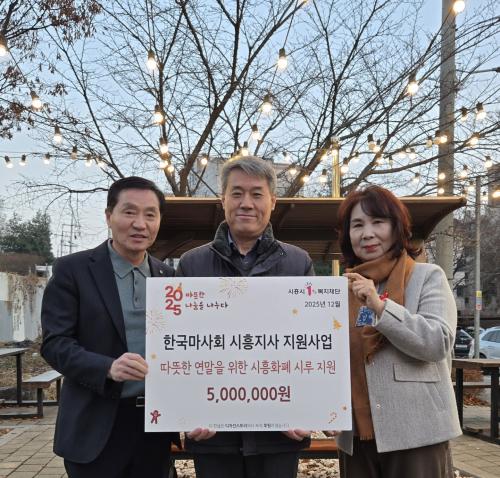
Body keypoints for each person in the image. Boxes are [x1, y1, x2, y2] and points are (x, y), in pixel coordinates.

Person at [176, 156, 314, 478]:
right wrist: (186, 411)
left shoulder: (298, 263)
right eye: (236, 193)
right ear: (222, 199)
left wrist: (307, 409)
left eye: (256, 194)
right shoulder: (191, 265)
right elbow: (178, 344)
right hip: (212, 431)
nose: (246, 203)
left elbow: (311, 343)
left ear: (273, 201)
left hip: (280, 430)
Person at [41, 176, 179, 478]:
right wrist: (107, 367)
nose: (140, 224)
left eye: (150, 214)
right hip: (95, 425)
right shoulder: (73, 270)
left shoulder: (168, 278)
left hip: (153, 427)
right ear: (109, 216)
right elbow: (55, 344)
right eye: (129, 212)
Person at [332, 185, 461, 478]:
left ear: (397, 227)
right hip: (356, 434)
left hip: (418, 432)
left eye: (378, 222)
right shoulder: (341, 289)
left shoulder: (428, 276)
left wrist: (380, 306)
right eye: (357, 225)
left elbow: (437, 343)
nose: (367, 233)